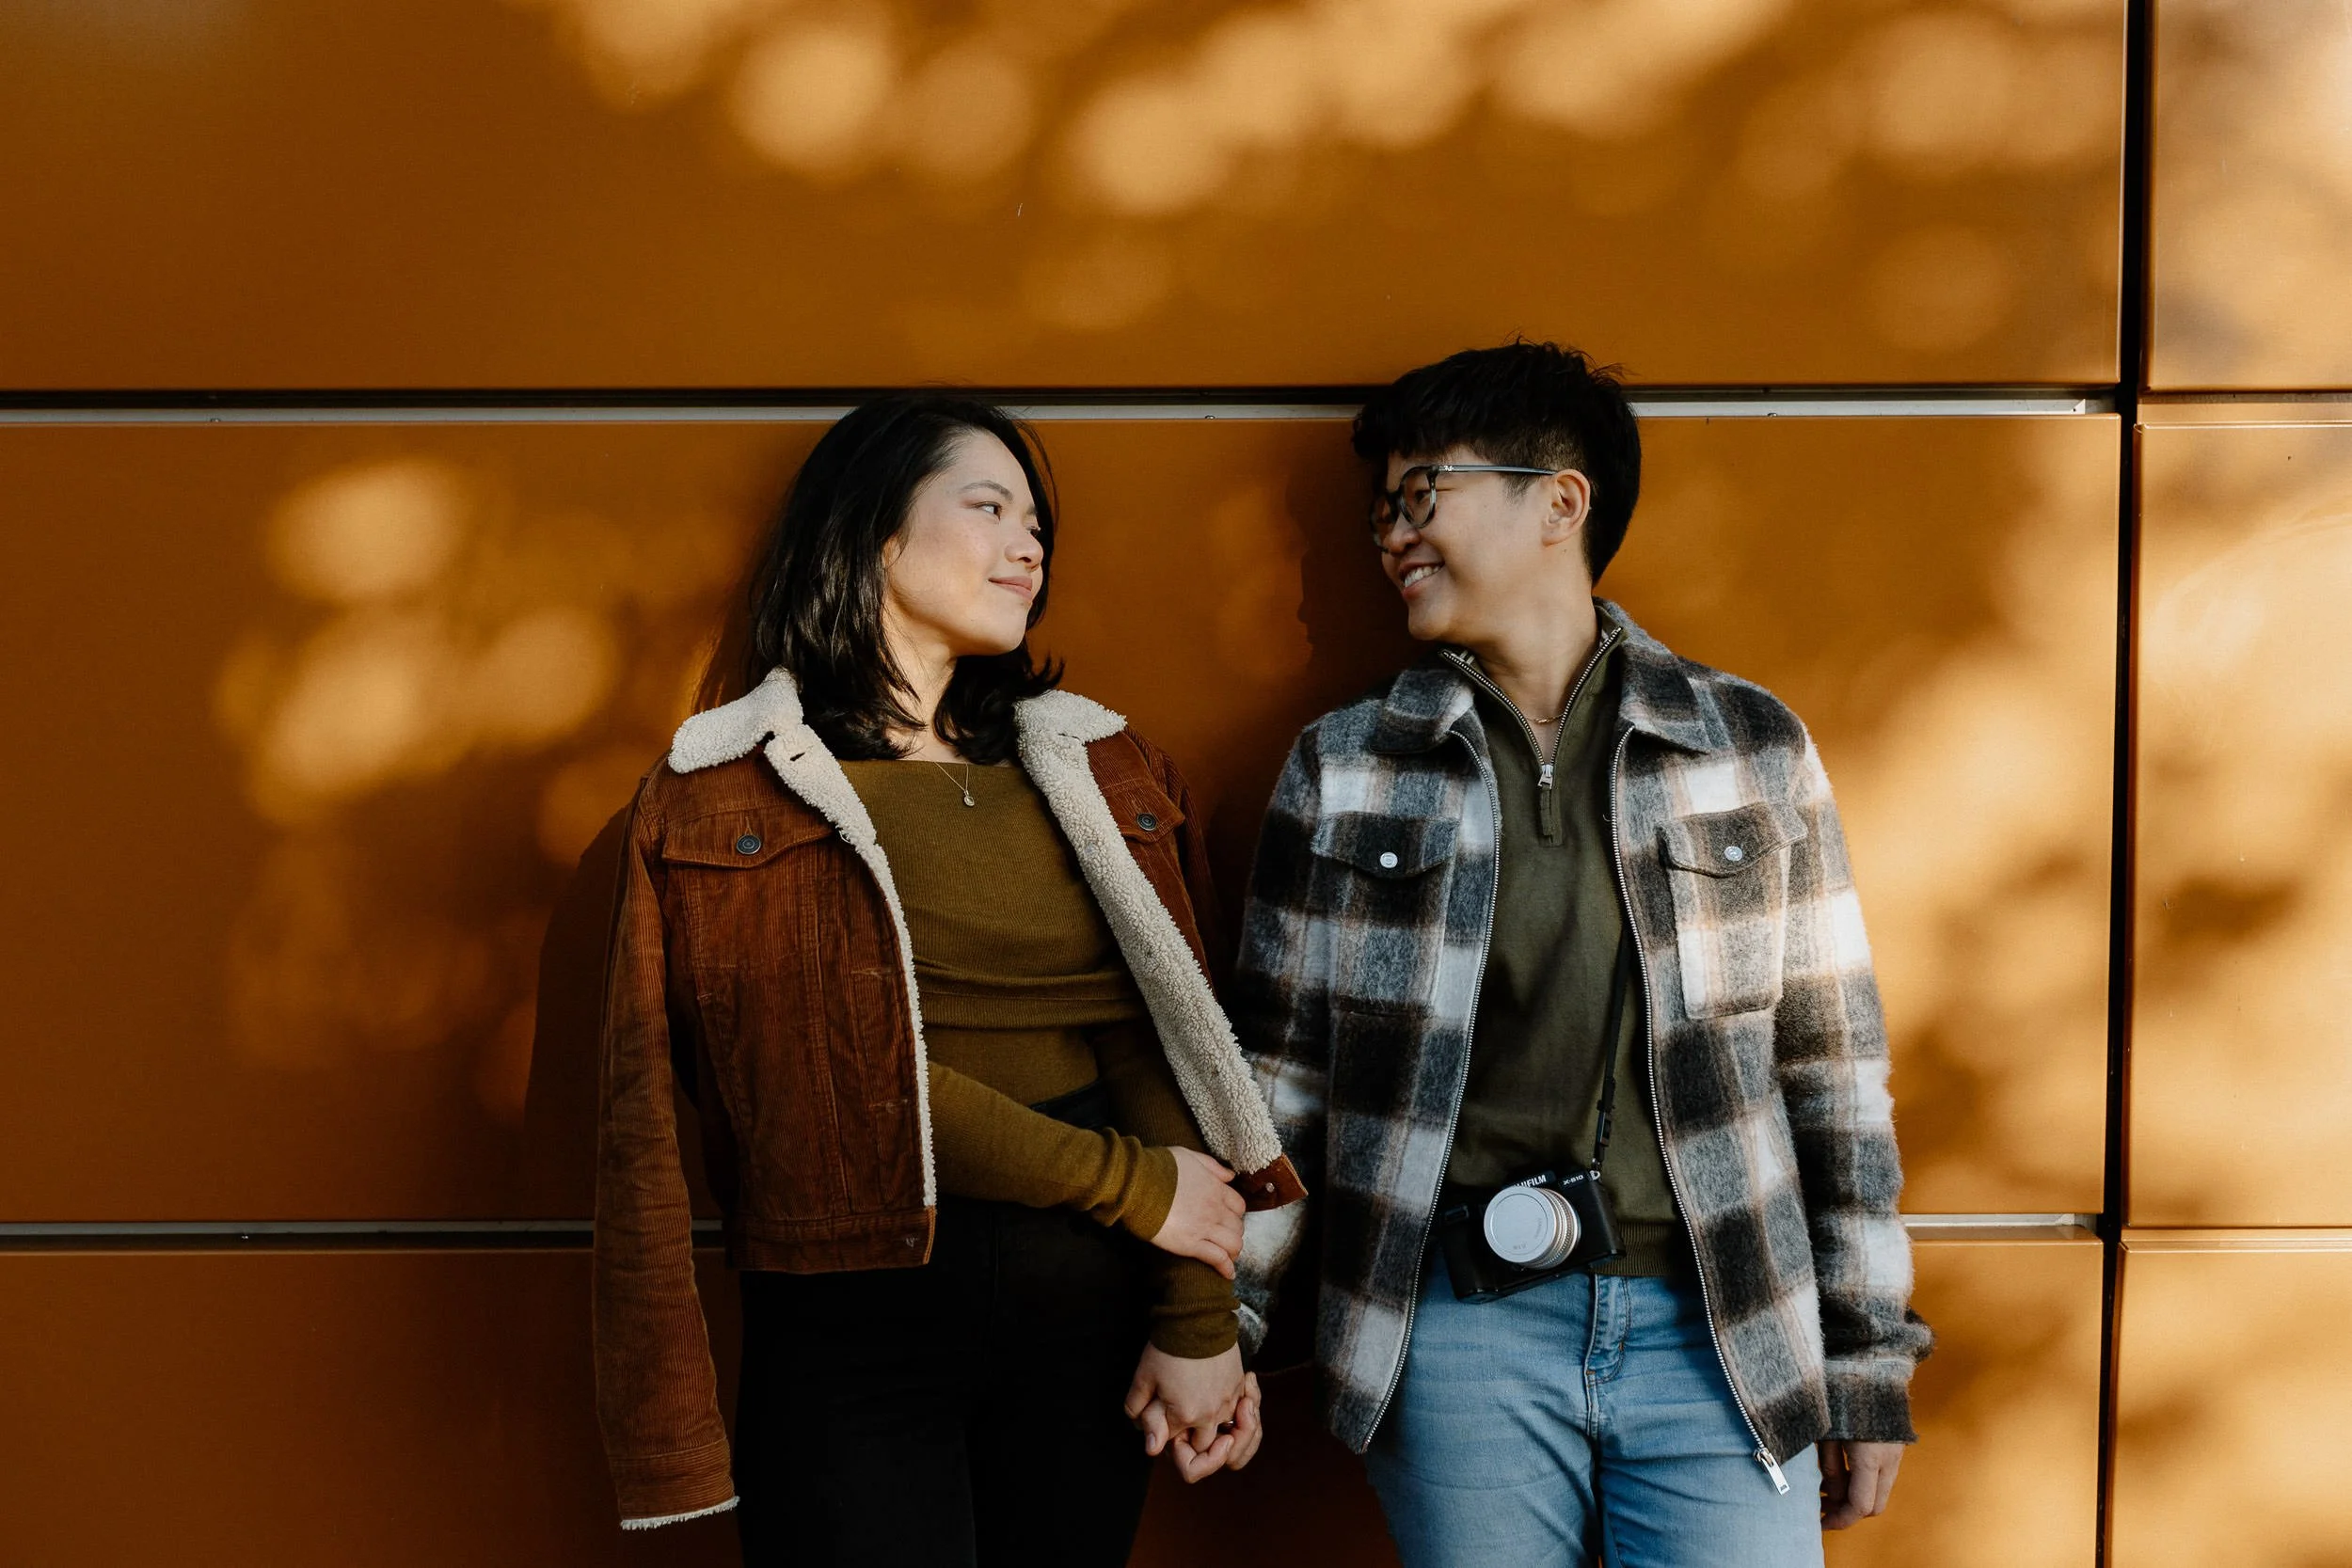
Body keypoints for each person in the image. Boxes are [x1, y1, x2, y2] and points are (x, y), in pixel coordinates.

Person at [1231, 342, 1931, 1567]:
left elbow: (1832, 1071)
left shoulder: (1745, 743)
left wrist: (1867, 1358)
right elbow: (1277, 1083)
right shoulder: (1346, 765)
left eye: (1420, 493)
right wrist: (1221, 1325)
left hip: (1721, 1324)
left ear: (1560, 499)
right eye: (1378, 509)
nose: (1390, 534)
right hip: (1455, 1328)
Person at [591, 393, 1304, 1565]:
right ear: (872, 530)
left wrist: (1196, 1325)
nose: (1030, 545)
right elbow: (819, 1078)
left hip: (1088, 1332)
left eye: (1037, 524)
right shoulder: (732, 792)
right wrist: (1126, 1182)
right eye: (989, 507)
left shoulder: (1096, 763)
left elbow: (1160, 1040)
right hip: (855, 1332)